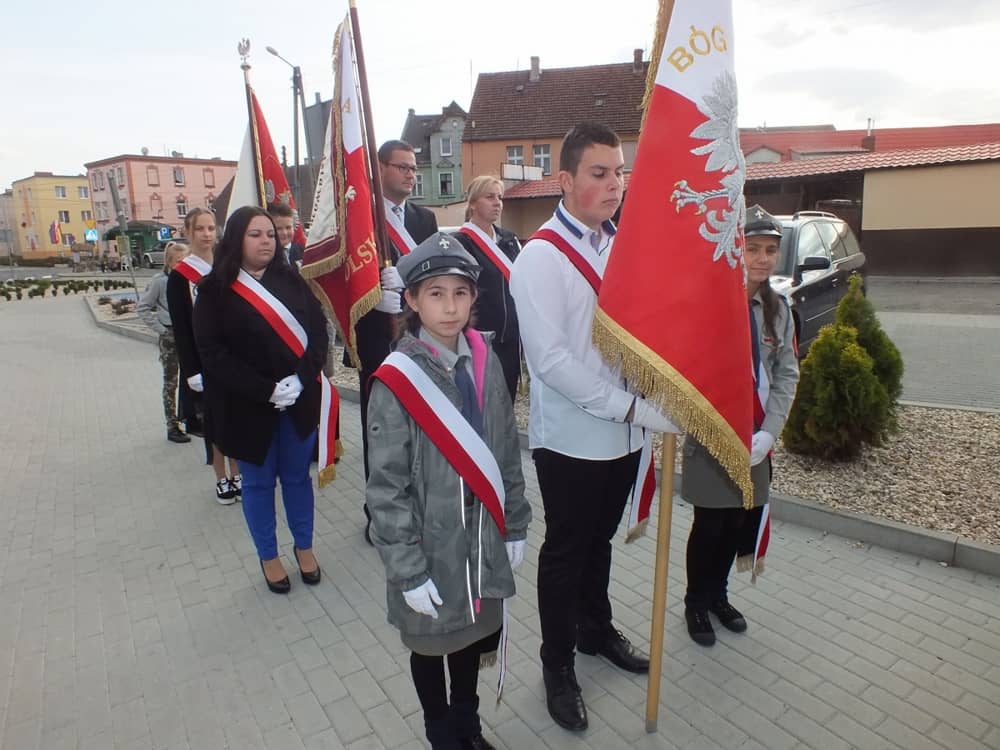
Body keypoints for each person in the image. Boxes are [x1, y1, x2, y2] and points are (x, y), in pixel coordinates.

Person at [509, 122, 679, 732]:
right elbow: (551, 363)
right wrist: (633, 408)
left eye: (620, 172)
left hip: (626, 435)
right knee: (566, 552)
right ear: (565, 179)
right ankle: (557, 665)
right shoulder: (541, 257)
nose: (615, 185)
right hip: (574, 440)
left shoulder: (620, 244)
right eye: (600, 173)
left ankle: (594, 629)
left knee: (600, 542)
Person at [366, 233, 530, 750]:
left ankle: (468, 726)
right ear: (412, 301)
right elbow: (386, 486)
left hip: (481, 538)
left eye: (461, 293)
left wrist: (516, 522)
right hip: (430, 543)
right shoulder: (397, 379)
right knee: (430, 644)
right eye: (435, 294)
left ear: (474, 297)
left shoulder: (485, 360)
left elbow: (504, 447)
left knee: (470, 637)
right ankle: (441, 734)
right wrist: (406, 569)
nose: (451, 307)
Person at [193, 206, 329, 594]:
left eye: (270, 234)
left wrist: (301, 379)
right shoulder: (214, 291)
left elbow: (319, 333)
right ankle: (269, 556)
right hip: (246, 408)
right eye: (255, 234)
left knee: (297, 479)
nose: (266, 241)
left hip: (297, 402)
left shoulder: (292, 280)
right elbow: (213, 355)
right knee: (257, 485)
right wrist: (265, 389)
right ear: (236, 239)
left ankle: (304, 547)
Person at [681, 204, 799, 647]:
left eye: (770, 250)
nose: (763, 258)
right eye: (753, 248)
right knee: (710, 523)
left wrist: (770, 432)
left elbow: (786, 373)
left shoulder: (778, 309)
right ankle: (695, 602)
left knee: (737, 522)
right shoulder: (710, 303)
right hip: (712, 434)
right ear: (735, 249)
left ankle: (719, 595)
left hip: (755, 436)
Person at [354, 139, 438, 543]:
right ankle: (379, 513)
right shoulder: (361, 218)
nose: (410, 174)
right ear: (380, 168)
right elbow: (346, 279)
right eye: (402, 166)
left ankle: (417, 506)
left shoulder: (425, 218)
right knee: (380, 431)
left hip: (418, 339)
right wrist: (373, 297)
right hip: (376, 342)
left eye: (413, 168)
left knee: (419, 427)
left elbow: (435, 276)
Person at [166, 207, 241, 504]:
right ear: (188, 232)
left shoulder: (226, 266)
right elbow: (181, 328)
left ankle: (238, 472)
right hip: (203, 361)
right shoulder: (180, 276)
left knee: (235, 418)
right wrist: (191, 370)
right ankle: (221, 478)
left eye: (211, 228)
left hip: (232, 356)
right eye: (200, 229)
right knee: (214, 423)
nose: (207, 234)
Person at [452, 176, 521, 402]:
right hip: (477, 339)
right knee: (479, 405)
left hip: (510, 339)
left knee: (506, 403)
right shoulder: (460, 243)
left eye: (499, 197)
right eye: (490, 197)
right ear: (473, 203)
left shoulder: (509, 240)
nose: (497, 203)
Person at [137, 241, 191, 444]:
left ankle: (192, 418)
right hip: (170, 336)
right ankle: (172, 425)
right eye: (179, 261)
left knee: (192, 379)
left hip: (188, 335)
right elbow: (143, 308)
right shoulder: (160, 282)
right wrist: (162, 330)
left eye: (185, 261)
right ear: (169, 262)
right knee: (171, 382)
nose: (182, 265)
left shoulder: (190, 280)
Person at [269, 201, 304, 268]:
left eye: (288, 227)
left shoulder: (303, 252)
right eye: (278, 228)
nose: (284, 233)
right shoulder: (266, 256)